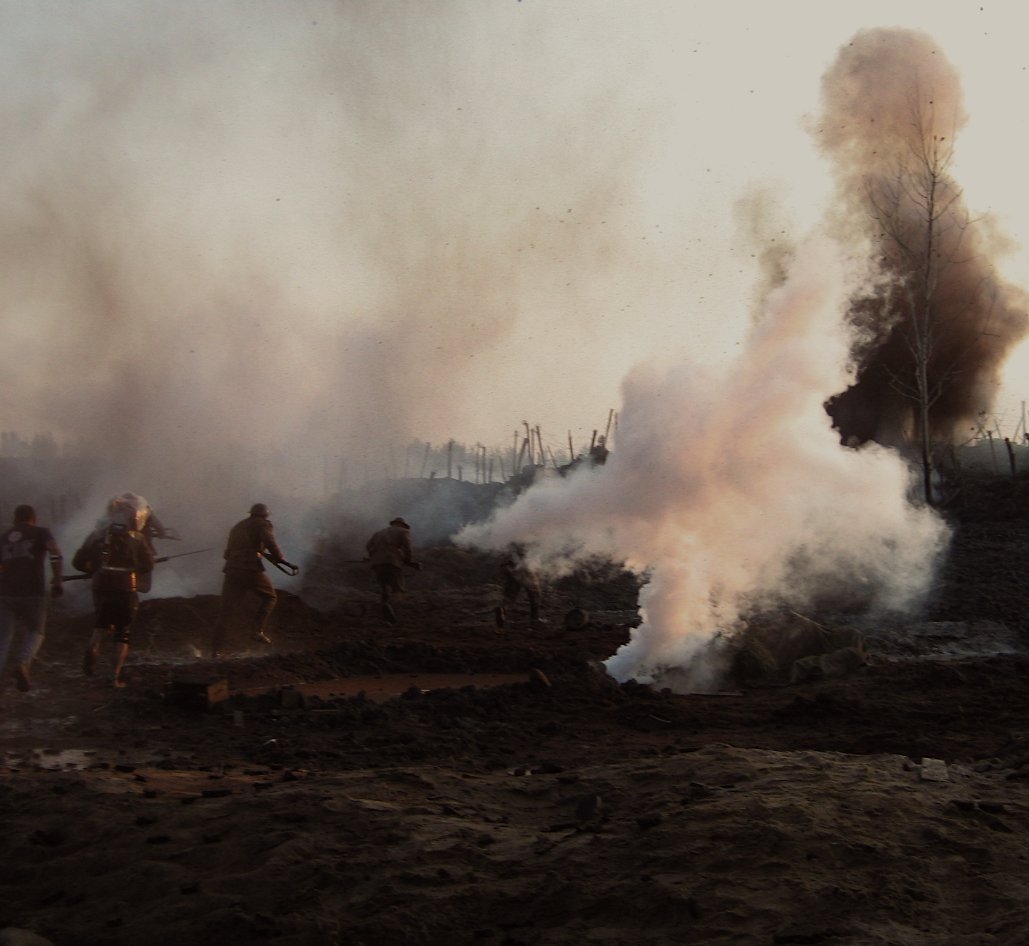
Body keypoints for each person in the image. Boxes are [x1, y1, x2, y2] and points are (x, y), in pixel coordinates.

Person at [73, 515, 155, 688]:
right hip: (125, 587)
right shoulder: (137, 538)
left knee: (101, 623)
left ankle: (92, 646)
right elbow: (148, 564)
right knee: (122, 633)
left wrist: (92, 568)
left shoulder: (96, 536)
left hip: (101, 586)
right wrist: (136, 568)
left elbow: (78, 562)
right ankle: (114, 676)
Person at [210, 503, 298, 658]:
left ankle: (215, 650)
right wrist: (281, 559)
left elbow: (227, 553)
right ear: (265, 515)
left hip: (231, 569)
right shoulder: (263, 525)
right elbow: (270, 544)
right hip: (250, 568)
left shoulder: (238, 526)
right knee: (270, 597)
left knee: (225, 611)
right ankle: (256, 630)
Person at [0, 505, 63, 692]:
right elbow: (56, 553)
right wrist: (58, 580)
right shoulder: (41, 532)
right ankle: (23, 662)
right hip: (33, 592)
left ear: (15, 519)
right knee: (36, 631)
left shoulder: (3, 537)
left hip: (5, 593)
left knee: (3, 640)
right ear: (33, 518)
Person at [365, 517, 421, 625]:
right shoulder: (403, 531)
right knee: (399, 591)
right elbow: (407, 547)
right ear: (402, 525)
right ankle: (389, 605)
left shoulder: (379, 533)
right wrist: (408, 561)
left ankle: (387, 619)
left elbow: (368, 546)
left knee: (385, 589)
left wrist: (374, 555)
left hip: (377, 564)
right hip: (392, 563)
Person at [495, 543, 545, 628]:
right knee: (534, 594)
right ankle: (534, 619)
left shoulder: (509, 540)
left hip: (510, 567)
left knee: (509, 596)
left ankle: (502, 609)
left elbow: (504, 562)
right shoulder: (527, 539)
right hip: (524, 569)